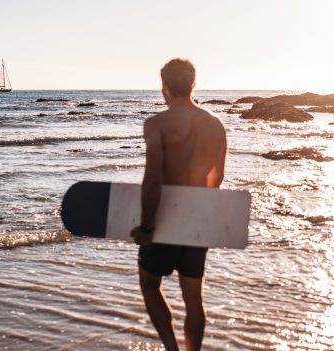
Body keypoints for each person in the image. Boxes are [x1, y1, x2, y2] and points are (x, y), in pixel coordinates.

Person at [130, 58, 227, 351]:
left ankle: (172, 348)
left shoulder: (157, 124)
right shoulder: (215, 125)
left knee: (149, 285)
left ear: (165, 86)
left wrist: (147, 227)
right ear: (193, 84)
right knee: (193, 297)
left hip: (162, 219)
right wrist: (196, 211)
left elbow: (152, 180)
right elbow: (217, 178)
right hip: (197, 219)